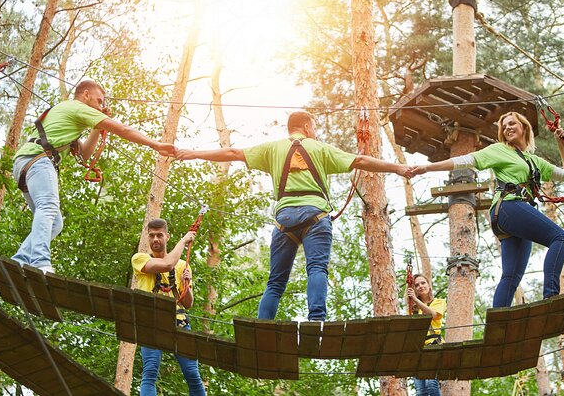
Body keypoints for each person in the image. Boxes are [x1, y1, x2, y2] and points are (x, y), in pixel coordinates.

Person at [176, 110, 414, 321]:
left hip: (284, 220)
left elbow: (233, 152)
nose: (316, 133)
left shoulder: (272, 148)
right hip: (316, 216)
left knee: (276, 282)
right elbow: (360, 160)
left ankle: (262, 326)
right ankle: (316, 321)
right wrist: (398, 168)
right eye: (315, 128)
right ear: (308, 127)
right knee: (317, 269)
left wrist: (194, 153)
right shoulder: (320, 148)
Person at [12, 80, 176, 272]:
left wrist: (96, 128)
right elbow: (123, 130)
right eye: (99, 101)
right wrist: (155, 145)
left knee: (55, 223)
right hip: (38, 161)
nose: (101, 106)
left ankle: (20, 259)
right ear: (86, 95)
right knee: (47, 207)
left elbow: (85, 154)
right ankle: (40, 261)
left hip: (26, 163)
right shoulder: (78, 107)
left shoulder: (68, 113)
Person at [412, 111, 564, 307]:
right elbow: (466, 160)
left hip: (512, 215)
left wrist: (561, 143)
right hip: (509, 207)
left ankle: (498, 324)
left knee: (511, 276)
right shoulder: (499, 150)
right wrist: (428, 168)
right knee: (560, 238)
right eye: (504, 127)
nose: (507, 129)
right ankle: (551, 297)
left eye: (512, 124)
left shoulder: (534, 161)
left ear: (524, 127)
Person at [132, 218, 206, 396]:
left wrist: (186, 283)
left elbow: (187, 303)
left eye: (159, 235)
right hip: (151, 323)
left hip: (179, 322)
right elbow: (166, 265)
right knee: (150, 372)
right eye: (152, 236)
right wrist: (184, 240)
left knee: (193, 374)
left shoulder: (182, 266)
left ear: (167, 236)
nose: (155, 239)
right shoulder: (139, 259)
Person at [406, 273, 445, 396]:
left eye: (423, 283)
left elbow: (432, 315)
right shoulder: (413, 309)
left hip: (433, 346)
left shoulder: (438, 302)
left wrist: (416, 300)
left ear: (429, 285)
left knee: (431, 384)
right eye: (417, 285)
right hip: (417, 349)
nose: (420, 286)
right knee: (420, 391)